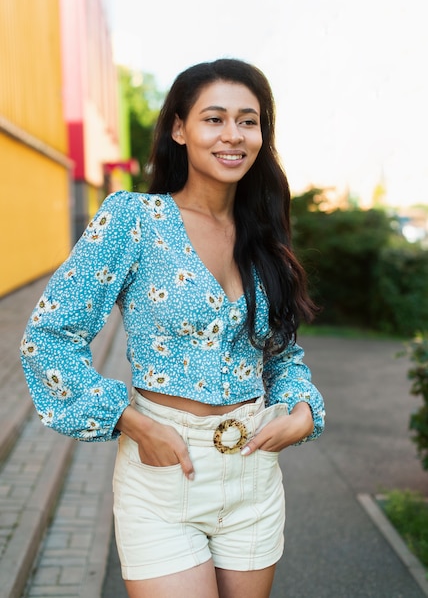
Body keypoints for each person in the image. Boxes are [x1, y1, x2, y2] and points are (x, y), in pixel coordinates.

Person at [20, 58, 325, 598]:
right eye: (214, 119)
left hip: (254, 473)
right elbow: (48, 336)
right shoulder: (133, 220)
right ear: (180, 129)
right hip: (165, 470)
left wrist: (302, 410)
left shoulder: (264, 233)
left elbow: (279, 355)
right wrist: (131, 421)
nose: (233, 135)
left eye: (248, 120)